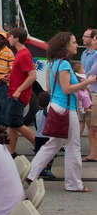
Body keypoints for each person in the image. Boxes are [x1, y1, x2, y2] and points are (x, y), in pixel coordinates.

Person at [27, 32, 96, 192]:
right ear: (65, 46)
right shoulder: (64, 65)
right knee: (73, 146)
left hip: (56, 107)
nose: (76, 44)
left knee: (53, 144)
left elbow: (51, 88)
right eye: (73, 42)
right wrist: (87, 82)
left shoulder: (52, 64)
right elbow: (66, 89)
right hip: (66, 109)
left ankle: (31, 174)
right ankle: (74, 184)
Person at [6, 27, 36, 157]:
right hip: (14, 93)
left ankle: (41, 146)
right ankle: (11, 151)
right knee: (12, 124)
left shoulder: (23, 54)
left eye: (10, 36)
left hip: (18, 95)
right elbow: (22, 74)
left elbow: (32, 76)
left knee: (16, 122)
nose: (8, 39)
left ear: (17, 38)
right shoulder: (20, 53)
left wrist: (18, 90)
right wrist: (9, 78)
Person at [33, 91, 56, 179]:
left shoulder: (37, 113)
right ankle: (48, 169)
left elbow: (36, 125)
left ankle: (39, 169)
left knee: (38, 153)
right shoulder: (47, 112)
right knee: (51, 153)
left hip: (38, 136)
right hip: (47, 136)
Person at [85, 30, 97, 162]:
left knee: (94, 125)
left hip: (94, 91)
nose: (93, 42)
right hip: (91, 90)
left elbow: (91, 72)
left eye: (94, 39)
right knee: (91, 125)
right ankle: (94, 153)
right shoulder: (85, 53)